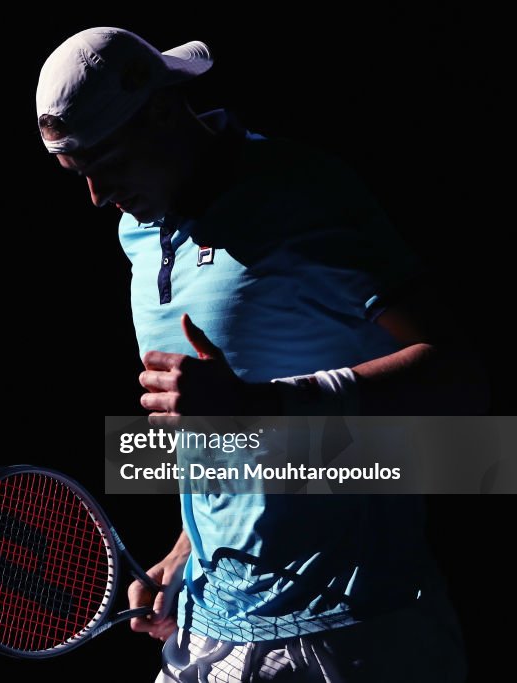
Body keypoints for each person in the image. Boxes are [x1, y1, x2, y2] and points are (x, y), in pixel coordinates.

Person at [36, 27, 486, 682]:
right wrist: (183, 554)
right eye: (78, 175)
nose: (98, 196)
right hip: (208, 640)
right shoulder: (136, 232)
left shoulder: (304, 190)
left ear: (163, 110)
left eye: (106, 164)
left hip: (356, 643)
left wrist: (264, 407)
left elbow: (460, 380)